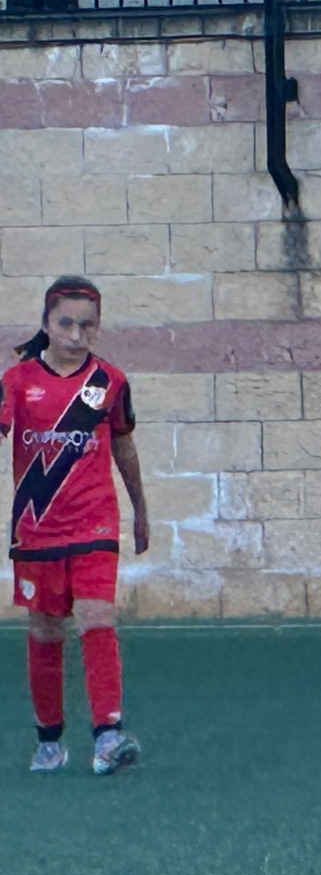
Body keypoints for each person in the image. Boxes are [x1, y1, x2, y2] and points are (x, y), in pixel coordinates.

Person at [1, 277, 148, 776]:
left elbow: (124, 445)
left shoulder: (110, 382)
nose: (76, 334)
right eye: (66, 323)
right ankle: (49, 740)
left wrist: (140, 509)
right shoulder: (16, 381)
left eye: (87, 325)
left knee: (96, 618)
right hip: (36, 530)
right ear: (46, 323)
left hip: (95, 523)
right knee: (45, 629)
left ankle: (108, 736)